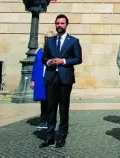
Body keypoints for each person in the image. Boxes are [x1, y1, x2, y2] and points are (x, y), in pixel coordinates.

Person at [40, 14, 83, 149]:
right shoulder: (49, 41)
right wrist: (49, 61)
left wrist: (63, 61)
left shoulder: (73, 41)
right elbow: (44, 58)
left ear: (66, 25)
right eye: (58, 23)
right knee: (50, 109)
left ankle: (62, 137)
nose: (59, 26)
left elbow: (78, 58)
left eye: (62, 23)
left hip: (65, 79)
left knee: (63, 109)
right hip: (51, 77)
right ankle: (50, 137)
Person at [31, 30, 55, 131]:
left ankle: (50, 120)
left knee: (51, 101)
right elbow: (36, 66)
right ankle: (43, 120)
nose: (47, 40)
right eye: (46, 38)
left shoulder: (56, 51)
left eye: (49, 38)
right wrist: (33, 80)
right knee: (43, 100)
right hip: (41, 78)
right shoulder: (40, 51)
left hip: (52, 78)